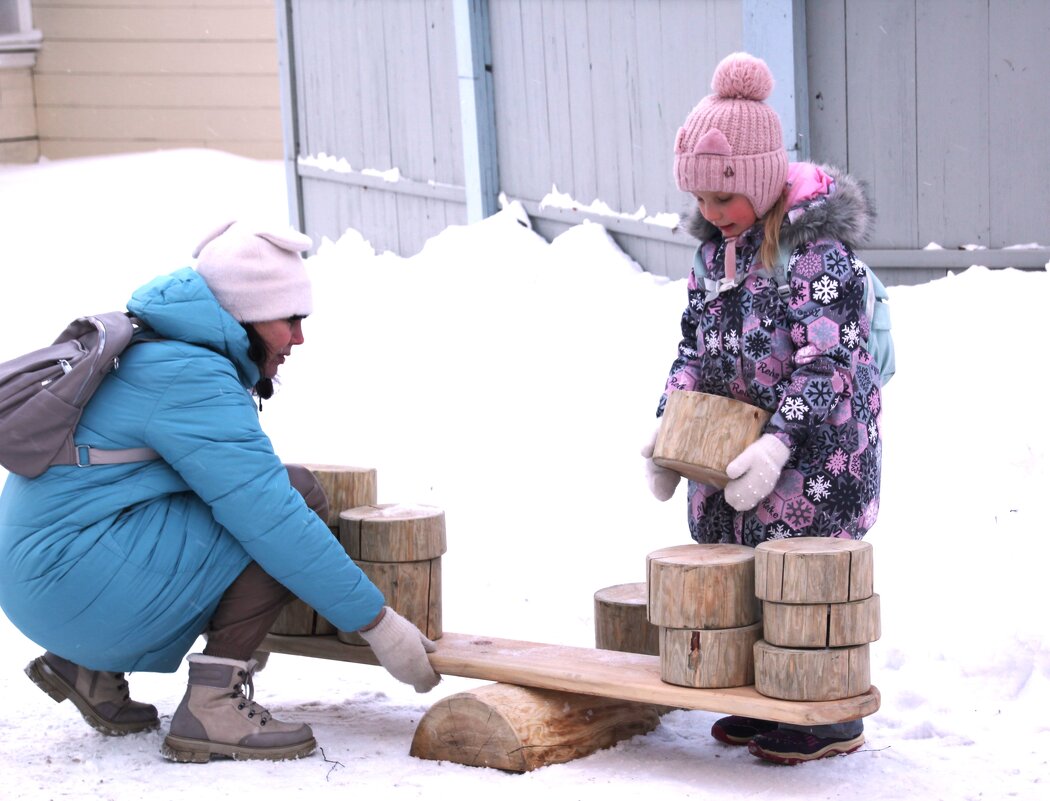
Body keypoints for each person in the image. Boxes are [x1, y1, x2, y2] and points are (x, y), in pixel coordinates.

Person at [0, 220, 441, 763]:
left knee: (245, 499)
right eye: (290, 319)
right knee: (295, 497)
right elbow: (273, 517)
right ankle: (213, 703)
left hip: (44, 579)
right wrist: (379, 624)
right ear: (245, 316)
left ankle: (88, 667)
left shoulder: (154, 343)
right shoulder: (189, 372)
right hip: (67, 582)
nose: (299, 337)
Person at [641, 53, 882, 765]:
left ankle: (824, 708)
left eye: (724, 201)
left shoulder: (816, 254)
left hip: (815, 457)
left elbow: (829, 363)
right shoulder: (714, 254)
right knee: (746, 573)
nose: (711, 217)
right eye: (703, 204)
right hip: (733, 451)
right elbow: (693, 344)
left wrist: (778, 445)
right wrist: (669, 425)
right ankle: (764, 693)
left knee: (800, 584)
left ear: (760, 180)